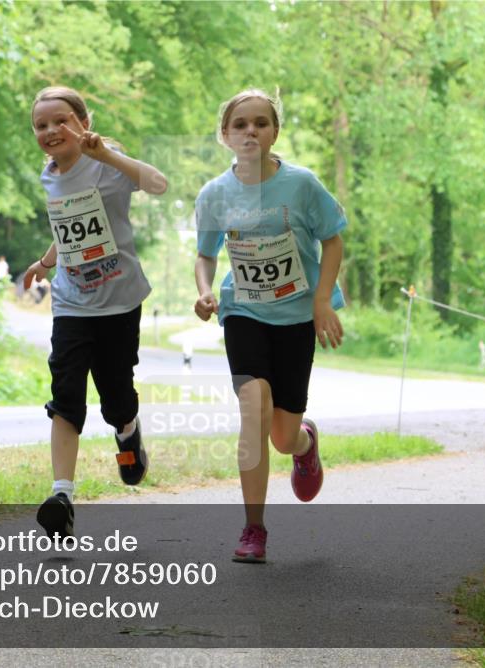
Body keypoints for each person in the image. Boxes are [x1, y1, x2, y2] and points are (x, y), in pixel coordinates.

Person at [193, 89, 346, 563]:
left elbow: (333, 241)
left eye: (261, 122)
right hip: (243, 311)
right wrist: (204, 291)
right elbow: (205, 254)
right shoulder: (215, 193)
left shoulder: (301, 185)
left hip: (296, 315)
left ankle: (305, 443)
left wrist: (322, 301)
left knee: (282, 436)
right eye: (240, 124)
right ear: (225, 134)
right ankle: (253, 528)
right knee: (253, 406)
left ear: (275, 132)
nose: (251, 131)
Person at [21, 86, 169, 539]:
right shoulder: (49, 174)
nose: (51, 131)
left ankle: (128, 432)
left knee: (115, 394)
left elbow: (160, 185)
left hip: (119, 301)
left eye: (60, 120)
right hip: (71, 302)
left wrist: (107, 154)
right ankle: (61, 495)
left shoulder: (107, 161)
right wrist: (46, 263)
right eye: (41, 125)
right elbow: (66, 226)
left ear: (83, 122)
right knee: (66, 392)